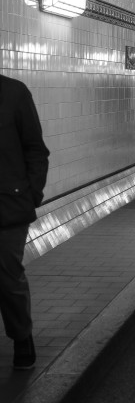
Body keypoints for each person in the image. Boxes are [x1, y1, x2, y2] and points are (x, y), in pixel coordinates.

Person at [0, 74, 49, 370]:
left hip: (8, 205)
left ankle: (21, 336)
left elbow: (36, 149)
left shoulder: (14, 93)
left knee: (7, 275)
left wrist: (30, 194)